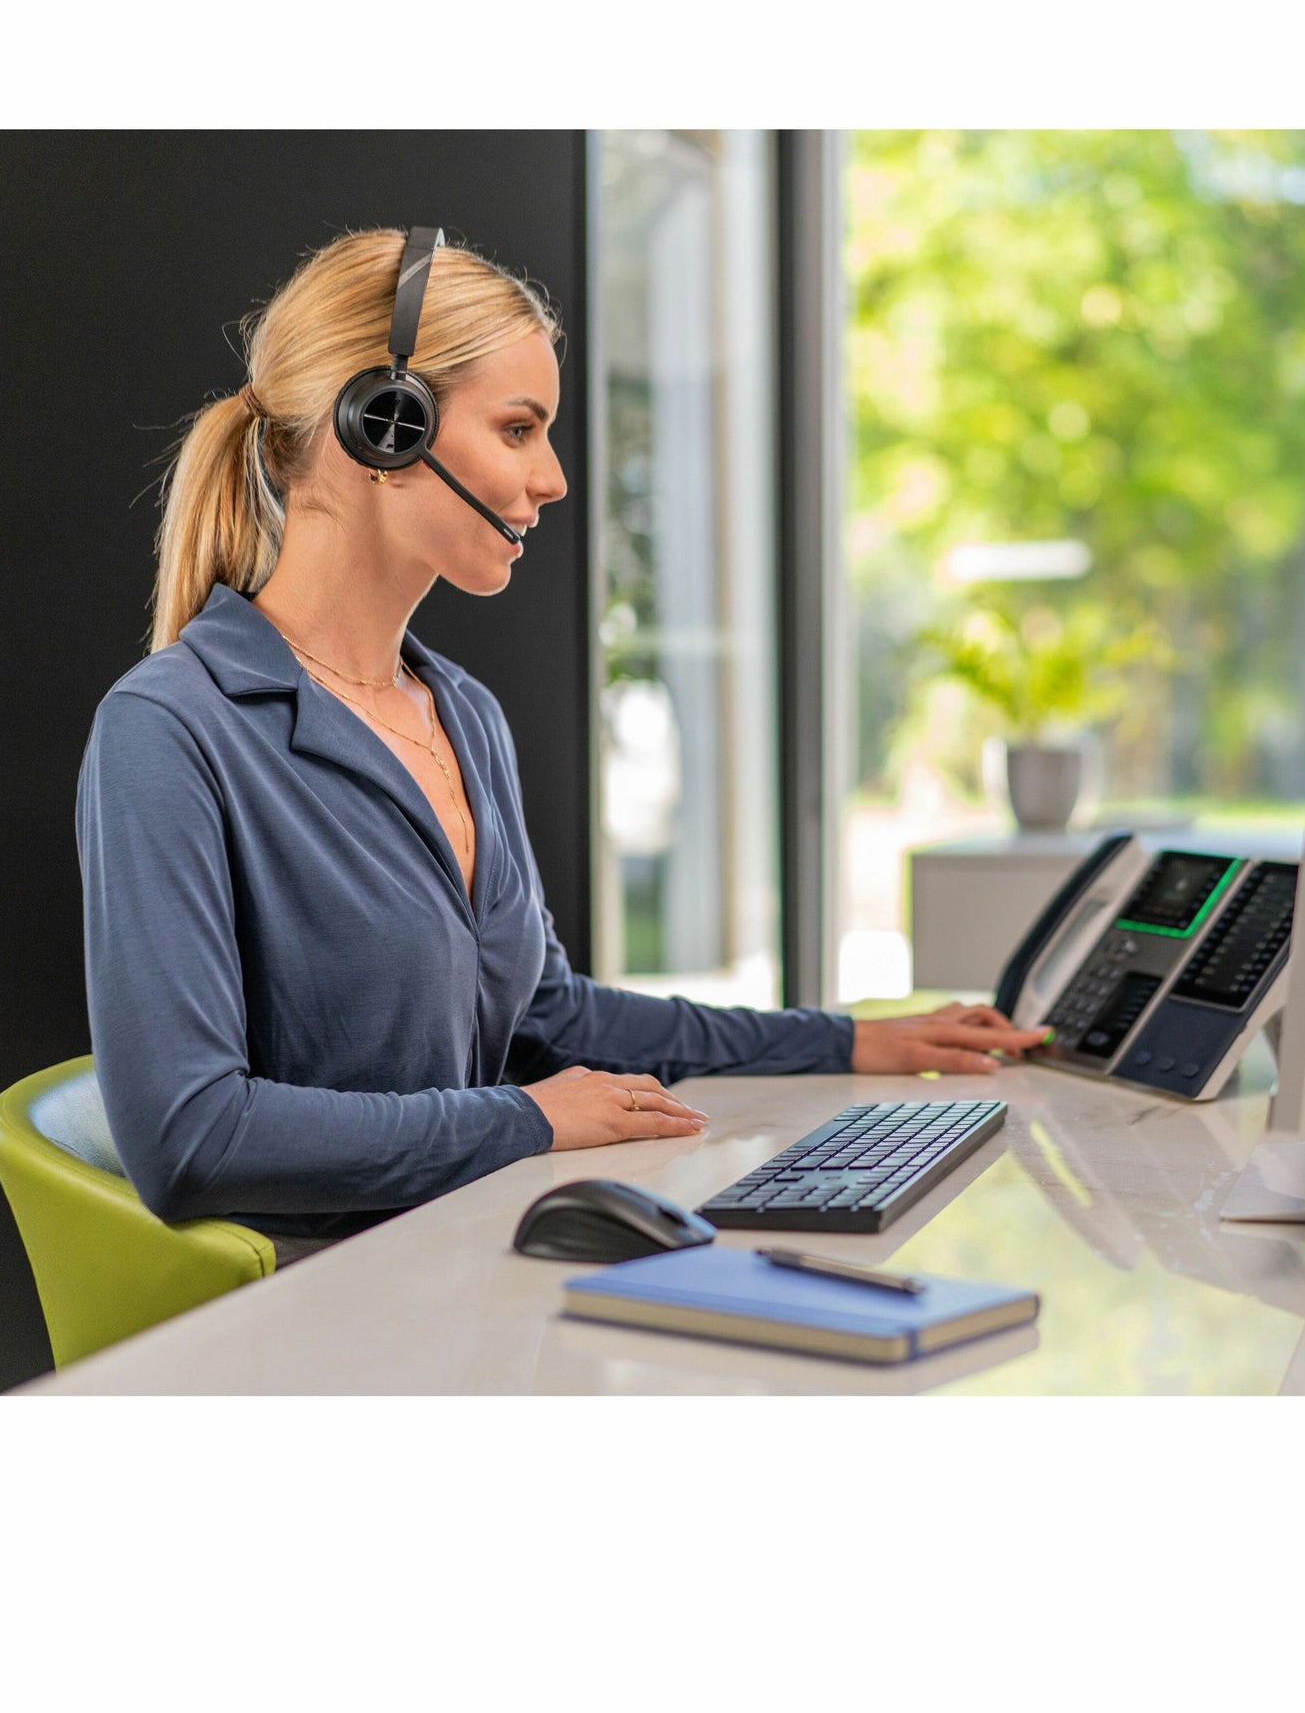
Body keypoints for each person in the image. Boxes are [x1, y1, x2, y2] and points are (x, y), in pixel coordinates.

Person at [77, 227, 1045, 1258]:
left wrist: (849, 1040)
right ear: (384, 425)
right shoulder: (174, 728)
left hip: (475, 1254)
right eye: (518, 428)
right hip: (333, 1304)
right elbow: (190, 1137)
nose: (552, 479)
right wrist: (531, 1120)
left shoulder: (462, 713)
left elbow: (551, 1017)